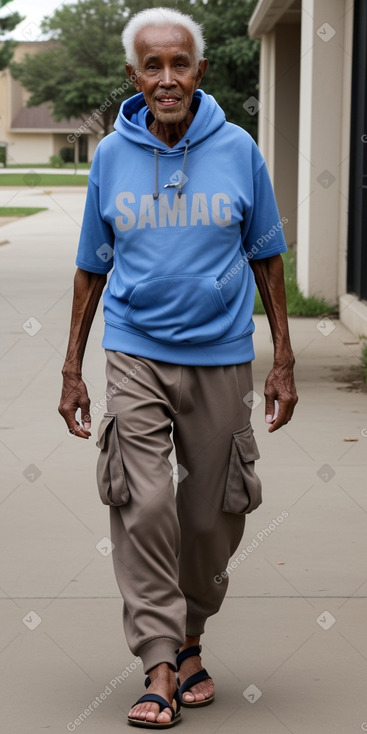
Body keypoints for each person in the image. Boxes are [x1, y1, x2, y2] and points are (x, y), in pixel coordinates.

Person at [59, 6, 298, 729]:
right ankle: (158, 661)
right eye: (153, 65)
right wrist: (72, 366)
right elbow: (90, 268)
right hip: (134, 351)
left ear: (199, 71)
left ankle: (191, 637)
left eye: (180, 63)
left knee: (209, 518)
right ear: (135, 75)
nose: (167, 78)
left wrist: (282, 356)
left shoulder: (238, 150)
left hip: (221, 355)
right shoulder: (110, 157)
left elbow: (265, 255)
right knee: (145, 504)